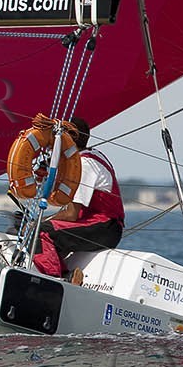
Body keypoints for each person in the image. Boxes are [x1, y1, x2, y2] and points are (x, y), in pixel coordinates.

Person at [33, 116, 126, 281]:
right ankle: (63, 273)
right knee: (37, 228)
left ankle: (57, 280)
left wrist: (39, 222)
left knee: (41, 231)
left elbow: (71, 214)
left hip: (104, 228)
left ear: (69, 138)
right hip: (95, 224)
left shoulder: (85, 165)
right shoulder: (87, 156)